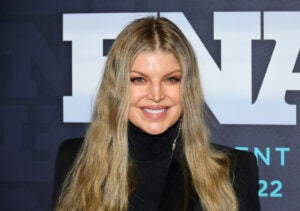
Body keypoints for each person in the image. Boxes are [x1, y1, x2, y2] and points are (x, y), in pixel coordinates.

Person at [52, 16, 260, 211]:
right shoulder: (75, 159)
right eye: (139, 79)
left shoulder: (232, 170)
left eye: (171, 79)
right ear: (116, 87)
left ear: (187, 87)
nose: (156, 95)